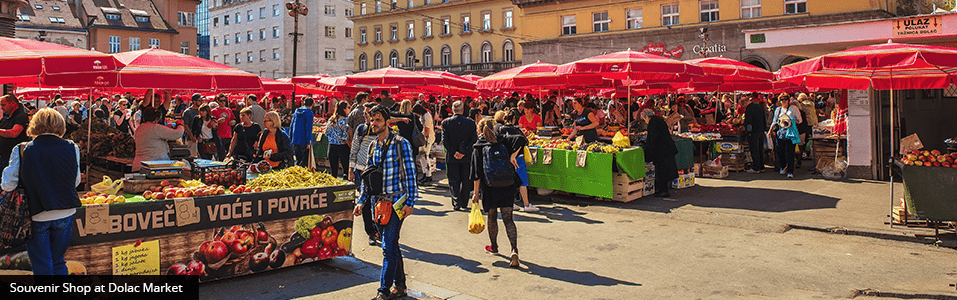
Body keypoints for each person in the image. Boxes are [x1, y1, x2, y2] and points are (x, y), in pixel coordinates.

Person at [1, 108, 80, 275]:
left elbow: (8, 184)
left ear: (34, 125)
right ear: (60, 125)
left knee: (42, 265)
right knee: (58, 261)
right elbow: (76, 181)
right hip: (65, 212)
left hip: (37, 213)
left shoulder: (22, 149)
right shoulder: (72, 147)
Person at [351, 105, 418, 300]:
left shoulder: (401, 143)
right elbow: (368, 178)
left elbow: (410, 175)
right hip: (377, 204)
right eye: (372, 120)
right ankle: (401, 286)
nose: (374, 123)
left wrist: (410, 202)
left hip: (396, 202)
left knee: (387, 248)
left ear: (387, 122)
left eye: (378, 119)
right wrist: (361, 201)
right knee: (392, 246)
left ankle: (383, 291)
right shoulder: (373, 146)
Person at [471, 117, 525, 267]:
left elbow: (476, 174)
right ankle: (514, 249)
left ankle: (494, 246)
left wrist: (476, 194)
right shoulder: (503, 140)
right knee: (508, 219)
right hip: (507, 184)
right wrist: (513, 155)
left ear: (480, 129)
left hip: (490, 187)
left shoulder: (478, 146)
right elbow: (521, 138)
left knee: (492, 217)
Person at [348, 102, 381, 246]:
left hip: (379, 171)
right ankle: (371, 232)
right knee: (365, 203)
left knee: (379, 202)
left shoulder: (383, 130)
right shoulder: (361, 129)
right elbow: (355, 148)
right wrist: (351, 169)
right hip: (362, 170)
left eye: (368, 113)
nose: (365, 115)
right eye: (365, 113)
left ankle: (379, 228)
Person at [495, 109, 539, 213]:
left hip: (505, 158)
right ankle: (526, 204)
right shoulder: (517, 130)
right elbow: (525, 141)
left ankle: (510, 202)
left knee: (508, 181)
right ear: (514, 119)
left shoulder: (500, 129)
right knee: (522, 181)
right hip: (518, 158)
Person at [441, 101, 478, 211]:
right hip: (466, 156)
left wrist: (453, 152)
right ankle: (464, 201)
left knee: (453, 180)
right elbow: (473, 140)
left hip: (452, 157)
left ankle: (456, 201)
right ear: (462, 110)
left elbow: (445, 141)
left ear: (453, 110)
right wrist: (465, 152)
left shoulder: (446, 123)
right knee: (466, 179)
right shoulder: (470, 123)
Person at [641, 109, 679, 198]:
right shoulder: (658, 120)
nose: (645, 121)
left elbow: (654, 138)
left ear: (647, 117)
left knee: (662, 170)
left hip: (662, 150)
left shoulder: (653, 123)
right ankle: (663, 189)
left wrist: (649, 149)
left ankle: (664, 191)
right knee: (664, 169)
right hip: (666, 148)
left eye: (644, 119)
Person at [769, 94, 802, 178]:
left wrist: (792, 120)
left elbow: (800, 120)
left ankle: (790, 171)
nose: (783, 101)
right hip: (781, 132)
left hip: (790, 132)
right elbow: (774, 121)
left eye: (785, 99)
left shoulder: (793, 109)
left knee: (790, 152)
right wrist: (770, 130)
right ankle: (783, 166)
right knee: (780, 152)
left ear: (788, 100)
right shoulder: (778, 109)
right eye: (782, 100)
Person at [0, 95, 31, 171]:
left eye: (3, 105)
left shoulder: (21, 116)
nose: (1, 107)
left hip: (15, 160)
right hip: (4, 158)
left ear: (12, 103)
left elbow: (14, 133)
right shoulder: (5, 119)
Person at [325, 101, 351, 178]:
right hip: (342, 147)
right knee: (345, 169)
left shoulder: (331, 120)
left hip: (332, 146)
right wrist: (350, 146)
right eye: (348, 107)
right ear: (344, 109)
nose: (350, 109)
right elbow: (345, 137)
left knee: (333, 171)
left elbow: (326, 133)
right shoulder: (345, 121)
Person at [744, 95, 768, 173]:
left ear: (744, 104)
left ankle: (756, 167)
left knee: (754, 150)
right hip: (761, 130)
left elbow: (749, 122)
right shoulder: (759, 107)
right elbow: (764, 118)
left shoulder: (749, 109)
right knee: (760, 149)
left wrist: (749, 132)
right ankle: (761, 166)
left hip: (754, 132)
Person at [413, 103, 434, 183]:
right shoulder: (425, 115)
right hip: (426, 138)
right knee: (422, 157)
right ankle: (426, 173)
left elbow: (427, 130)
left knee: (425, 156)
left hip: (427, 139)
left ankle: (428, 174)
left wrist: (420, 137)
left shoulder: (426, 116)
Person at [290, 97, 315, 167]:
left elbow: (292, 125)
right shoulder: (309, 113)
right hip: (303, 140)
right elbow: (308, 128)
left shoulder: (297, 111)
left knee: (298, 161)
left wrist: (291, 137)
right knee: (304, 162)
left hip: (295, 139)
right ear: (312, 104)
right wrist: (309, 142)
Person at [212, 95, 235, 160]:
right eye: (221, 101)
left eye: (224, 101)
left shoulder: (229, 110)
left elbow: (233, 119)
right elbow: (210, 123)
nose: (223, 102)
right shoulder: (214, 111)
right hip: (218, 136)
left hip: (228, 135)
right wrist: (218, 122)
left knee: (229, 155)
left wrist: (232, 122)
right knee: (220, 155)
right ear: (217, 101)